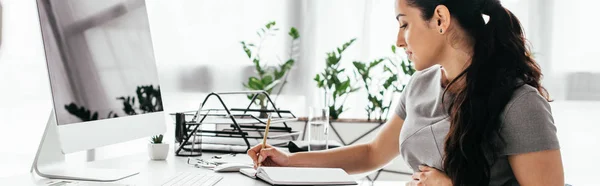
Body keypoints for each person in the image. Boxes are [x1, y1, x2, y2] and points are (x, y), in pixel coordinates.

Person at [247, 0, 564, 185]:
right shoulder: (420, 86)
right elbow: (372, 153)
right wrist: (289, 161)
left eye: (404, 24)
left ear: (439, 19)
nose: (399, 41)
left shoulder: (520, 104)